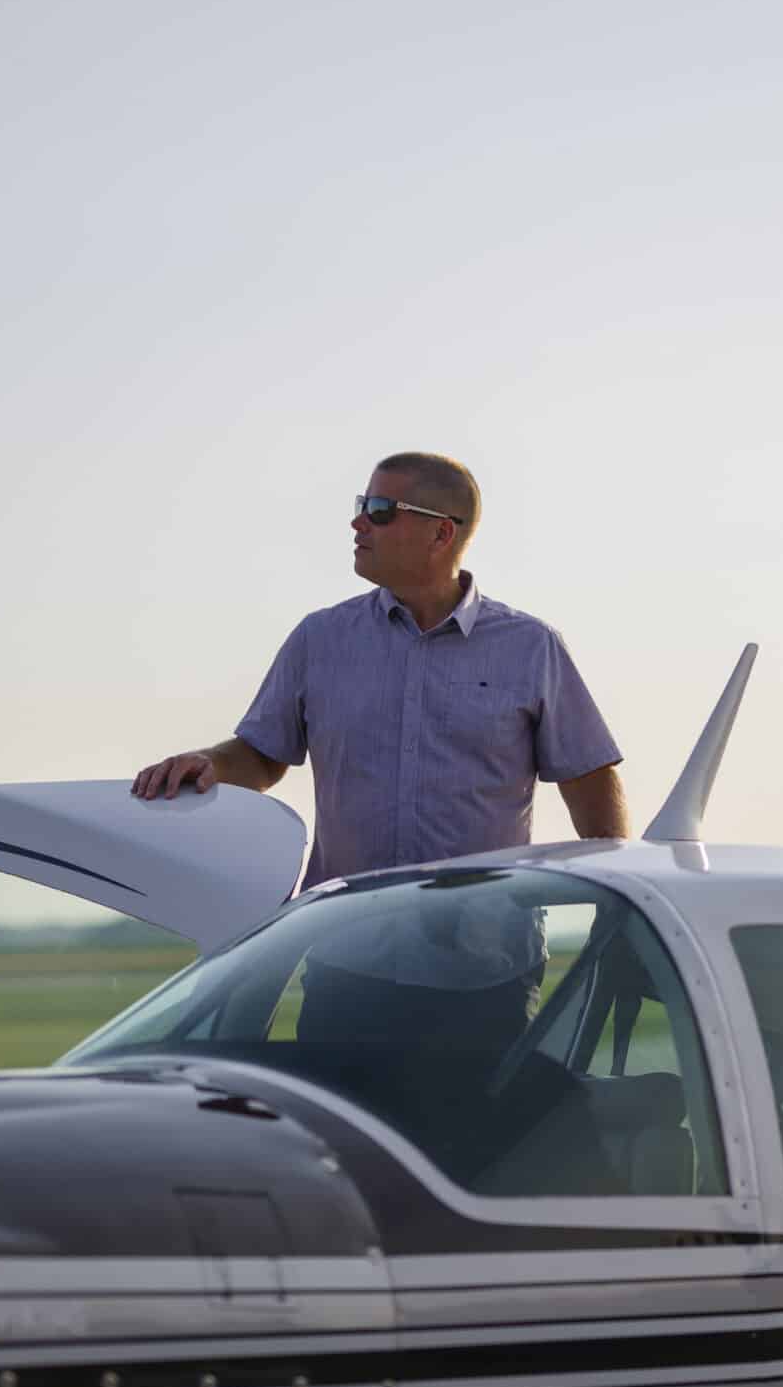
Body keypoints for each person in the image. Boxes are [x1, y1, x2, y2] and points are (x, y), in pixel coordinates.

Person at [131, 451, 629, 1052]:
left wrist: (620, 917)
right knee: (345, 1144)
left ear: (441, 532)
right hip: (348, 960)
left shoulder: (531, 647)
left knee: (469, 1147)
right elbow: (262, 757)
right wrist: (211, 764)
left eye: (379, 510)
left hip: (486, 971)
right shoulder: (321, 639)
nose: (357, 525)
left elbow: (590, 782)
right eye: (360, 508)